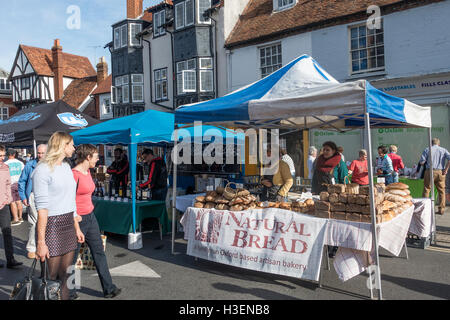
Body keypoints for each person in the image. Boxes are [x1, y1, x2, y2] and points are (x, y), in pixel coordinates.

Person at [32, 132, 85, 300]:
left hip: (68, 224)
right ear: (63, 146)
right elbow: (42, 209)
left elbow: (71, 199)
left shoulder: (66, 167)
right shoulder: (42, 169)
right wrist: (40, 243)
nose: (74, 148)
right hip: (52, 226)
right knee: (51, 278)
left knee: (68, 276)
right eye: (71, 144)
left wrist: (76, 227)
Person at [71, 144, 121, 299]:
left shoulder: (88, 172)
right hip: (77, 219)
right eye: (96, 156)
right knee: (71, 257)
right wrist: (75, 221)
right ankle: (70, 292)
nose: (98, 159)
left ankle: (109, 288)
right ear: (87, 157)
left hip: (90, 216)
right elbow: (67, 200)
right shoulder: (74, 175)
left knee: (99, 251)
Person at [18, 144, 47, 259]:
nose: (40, 155)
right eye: (38, 153)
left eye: (42, 153)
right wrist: (23, 197)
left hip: (48, 196)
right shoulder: (30, 165)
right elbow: (22, 181)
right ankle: (31, 247)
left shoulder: (51, 165)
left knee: (47, 222)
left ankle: (45, 245)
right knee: (33, 222)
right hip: (33, 195)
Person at [0, 145, 23, 269]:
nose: (2, 158)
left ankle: (10, 259)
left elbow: (8, 184)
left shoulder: (5, 167)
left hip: (3, 205)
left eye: (3, 155)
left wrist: (8, 199)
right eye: (0, 156)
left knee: (7, 232)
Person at [420, 138, 450, 215]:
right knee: (441, 191)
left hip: (430, 171)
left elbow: (422, 162)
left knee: (427, 189)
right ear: (438, 144)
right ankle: (441, 209)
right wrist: (446, 169)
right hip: (440, 172)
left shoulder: (427, 149)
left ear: (431, 143)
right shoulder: (443, 150)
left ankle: (425, 209)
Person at [5, 149, 25, 225]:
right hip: (19, 183)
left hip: (11, 184)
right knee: (19, 201)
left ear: (8, 155)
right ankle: (20, 217)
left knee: (12, 202)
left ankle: (16, 219)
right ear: (14, 154)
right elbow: (24, 172)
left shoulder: (6, 163)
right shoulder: (20, 163)